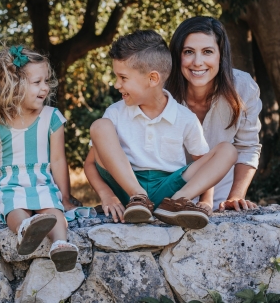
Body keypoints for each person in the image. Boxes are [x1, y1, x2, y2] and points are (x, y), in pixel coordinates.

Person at [84, 30, 238, 228]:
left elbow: (204, 163)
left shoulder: (185, 118)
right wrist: (108, 196)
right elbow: (90, 164)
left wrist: (206, 200)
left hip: (170, 188)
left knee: (227, 150)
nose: (116, 84)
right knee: (100, 126)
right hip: (126, 186)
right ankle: (138, 197)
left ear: (153, 79)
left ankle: (177, 203)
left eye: (123, 77)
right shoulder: (114, 113)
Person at [0, 46, 78, 272]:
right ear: (14, 85)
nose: (45, 88)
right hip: (9, 184)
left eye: (46, 81)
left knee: (53, 210)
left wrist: (66, 197)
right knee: (13, 207)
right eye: (37, 82)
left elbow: (59, 161)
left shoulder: (51, 118)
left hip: (41, 181)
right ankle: (25, 229)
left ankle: (60, 243)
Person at [166, 16, 262, 211]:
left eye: (207, 52)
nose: (198, 62)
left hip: (220, 197)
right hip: (167, 194)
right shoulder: (161, 91)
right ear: (177, 55)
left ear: (221, 56)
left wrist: (235, 197)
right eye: (188, 52)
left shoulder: (244, 88)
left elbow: (247, 147)